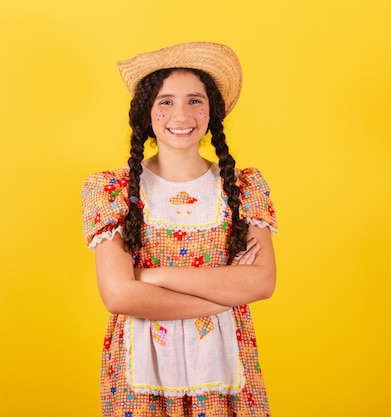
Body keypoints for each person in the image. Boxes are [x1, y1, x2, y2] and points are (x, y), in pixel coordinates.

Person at [81, 42, 277, 417]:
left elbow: (262, 283)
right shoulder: (110, 189)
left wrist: (151, 276)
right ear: (147, 113)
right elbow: (120, 296)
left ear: (211, 111)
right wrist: (226, 293)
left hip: (225, 367)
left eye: (195, 100)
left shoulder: (244, 187)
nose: (181, 114)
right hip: (140, 372)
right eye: (166, 101)